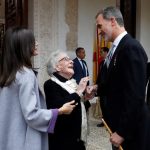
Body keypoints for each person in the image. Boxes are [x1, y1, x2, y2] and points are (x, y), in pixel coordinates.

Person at [0, 27, 76, 150]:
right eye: (33, 41)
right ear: (23, 45)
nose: (37, 43)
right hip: (24, 142)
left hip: (10, 139)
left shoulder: (10, 73)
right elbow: (31, 115)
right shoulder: (26, 75)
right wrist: (60, 111)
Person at [88, 6, 150, 150]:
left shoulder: (131, 47)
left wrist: (122, 132)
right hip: (118, 125)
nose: (99, 31)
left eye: (99, 26)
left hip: (132, 131)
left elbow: (136, 95)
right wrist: (96, 88)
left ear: (113, 21)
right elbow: (115, 83)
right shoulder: (116, 48)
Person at [44, 50, 91, 150]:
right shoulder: (50, 84)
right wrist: (78, 92)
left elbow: (80, 107)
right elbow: (59, 107)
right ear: (57, 67)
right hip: (63, 140)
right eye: (66, 59)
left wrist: (85, 98)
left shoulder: (72, 82)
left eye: (70, 59)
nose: (71, 61)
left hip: (77, 137)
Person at [72, 47, 91, 111]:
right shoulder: (73, 62)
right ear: (78, 53)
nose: (85, 54)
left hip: (85, 87)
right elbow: (72, 76)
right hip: (77, 87)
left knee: (85, 104)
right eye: (83, 52)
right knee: (79, 105)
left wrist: (87, 85)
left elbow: (86, 74)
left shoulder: (84, 62)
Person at [96, 47, 109, 127]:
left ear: (106, 52)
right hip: (101, 88)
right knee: (103, 106)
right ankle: (104, 122)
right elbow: (100, 76)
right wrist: (97, 85)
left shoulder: (110, 62)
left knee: (107, 106)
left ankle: (108, 122)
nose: (100, 53)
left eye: (101, 52)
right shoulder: (102, 63)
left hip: (107, 89)